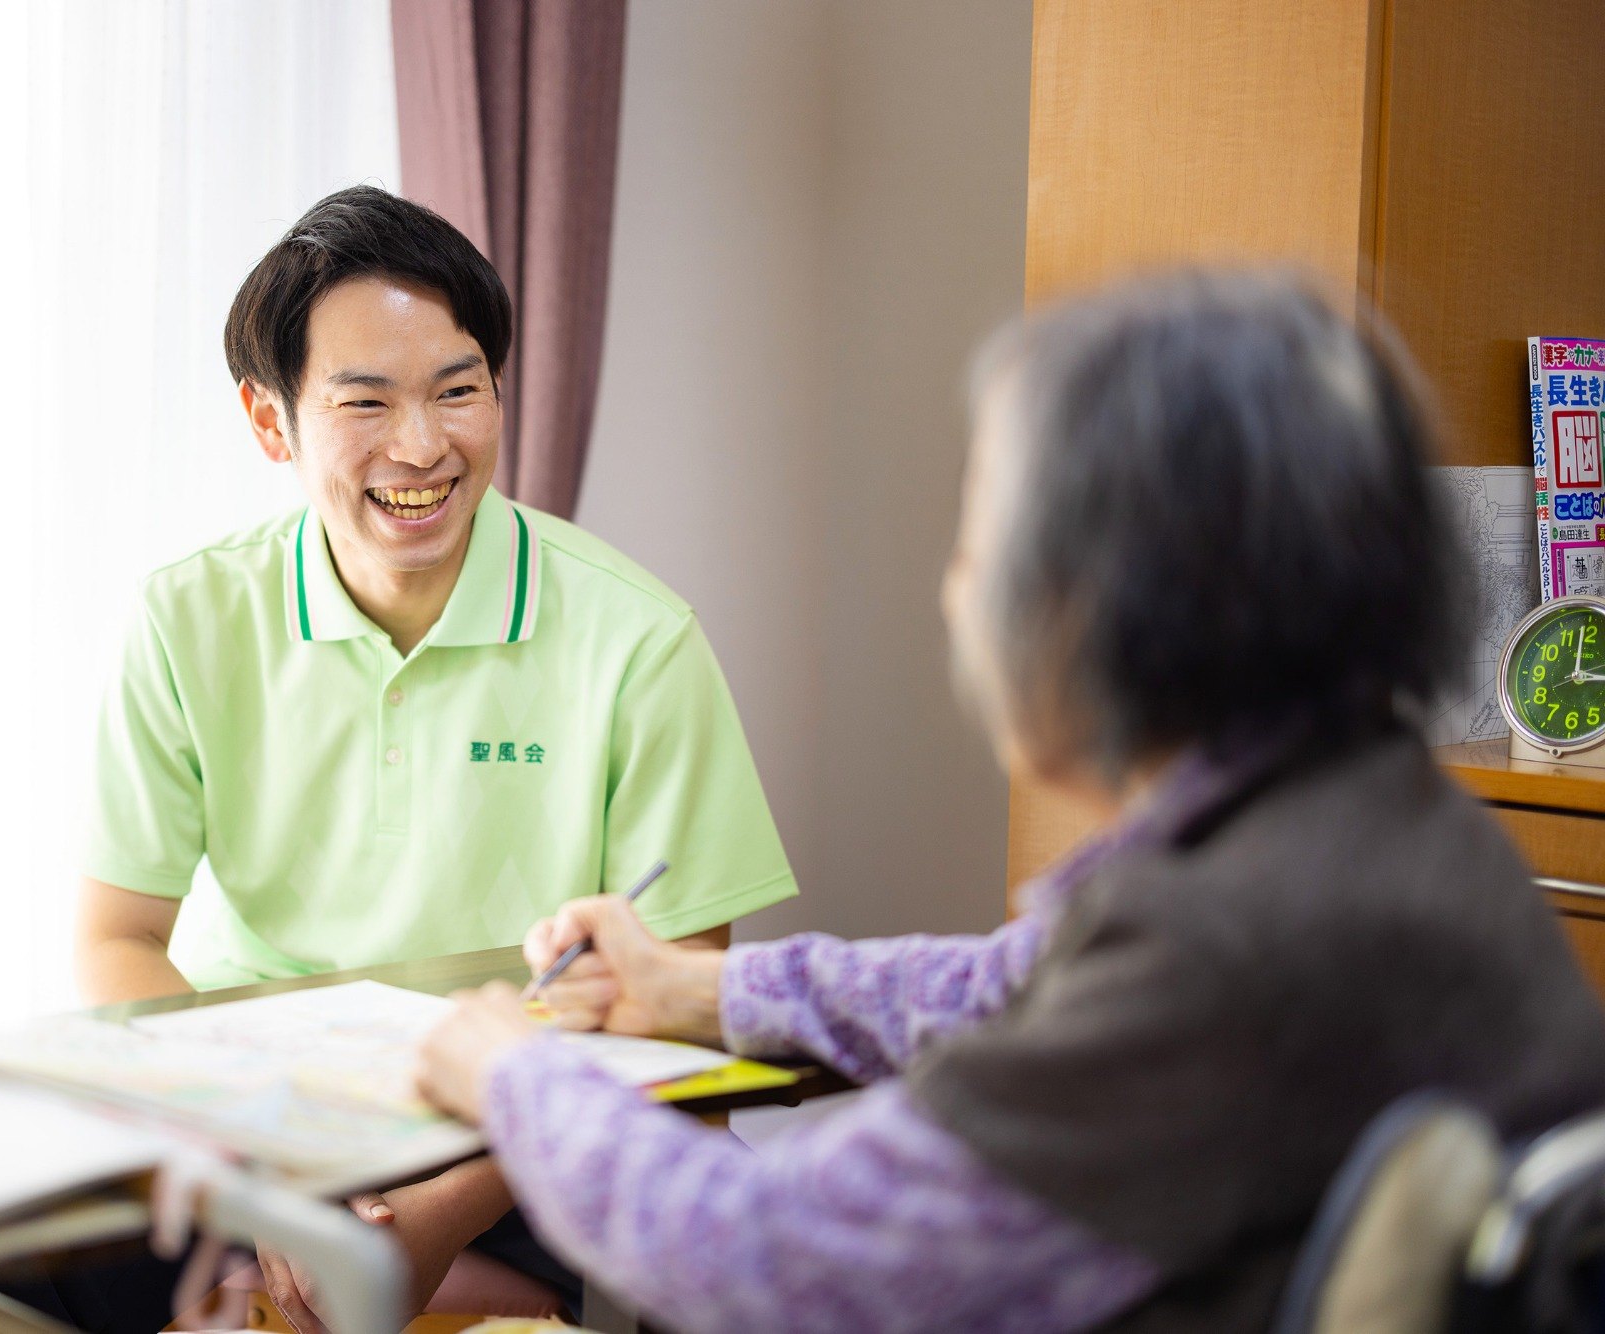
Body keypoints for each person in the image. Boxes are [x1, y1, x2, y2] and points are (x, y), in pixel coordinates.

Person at [414, 269, 1605, 1332]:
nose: (954, 594)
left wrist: (514, 1075)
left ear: (1104, 598)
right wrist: (705, 988)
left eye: (978, 541)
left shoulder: (1229, 938)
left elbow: (773, 1261)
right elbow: (1023, 988)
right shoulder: (1370, 816)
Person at [48, 186, 799, 1328]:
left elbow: (676, 999)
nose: (421, 445)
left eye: (457, 390)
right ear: (270, 422)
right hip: (253, 1116)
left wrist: (445, 1204)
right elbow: (117, 937)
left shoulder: (636, 639)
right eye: (365, 401)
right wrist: (270, 1176)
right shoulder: (188, 616)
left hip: (517, 1130)